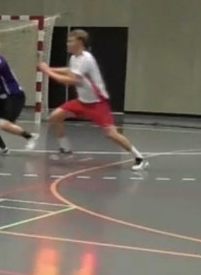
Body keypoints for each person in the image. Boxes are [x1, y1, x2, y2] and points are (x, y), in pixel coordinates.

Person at [42, 29, 148, 171]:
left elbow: (73, 80)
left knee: (111, 133)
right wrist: (50, 68)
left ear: (80, 42)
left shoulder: (86, 58)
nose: (67, 44)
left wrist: (47, 72)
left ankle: (139, 158)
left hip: (97, 103)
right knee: (55, 116)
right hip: (82, 102)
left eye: (70, 41)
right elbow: (69, 70)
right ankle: (66, 149)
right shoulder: (74, 58)